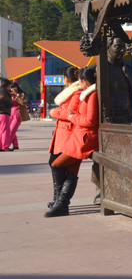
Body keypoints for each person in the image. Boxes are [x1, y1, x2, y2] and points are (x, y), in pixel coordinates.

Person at [45, 66, 99, 217]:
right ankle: (61, 204)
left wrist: (72, 117)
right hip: (79, 136)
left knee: (57, 164)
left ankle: (61, 202)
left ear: (85, 81)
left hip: (84, 138)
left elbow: (90, 120)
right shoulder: (88, 94)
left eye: (80, 80)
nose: (79, 83)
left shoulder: (91, 95)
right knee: (70, 170)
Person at [47, 66, 82, 208]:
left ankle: (61, 200)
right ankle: (57, 198)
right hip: (61, 134)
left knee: (64, 167)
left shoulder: (76, 93)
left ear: (66, 78)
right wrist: (59, 111)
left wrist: (53, 112)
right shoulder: (69, 92)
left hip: (69, 134)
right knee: (54, 163)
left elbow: (70, 113)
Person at [7, 82, 28, 150]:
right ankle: (15, 145)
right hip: (10, 114)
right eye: (11, 88)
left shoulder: (22, 94)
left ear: (17, 87)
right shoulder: (10, 94)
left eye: (14, 88)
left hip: (18, 114)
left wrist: (16, 96)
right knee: (9, 130)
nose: (13, 89)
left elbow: (23, 102)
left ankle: (6, 145)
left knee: (12, 130)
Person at [0, 78, 12, 151]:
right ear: (7, 85)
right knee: (5, 130)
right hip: (4, 113)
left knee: (1, 131)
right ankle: (5, 146)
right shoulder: (6, 93)